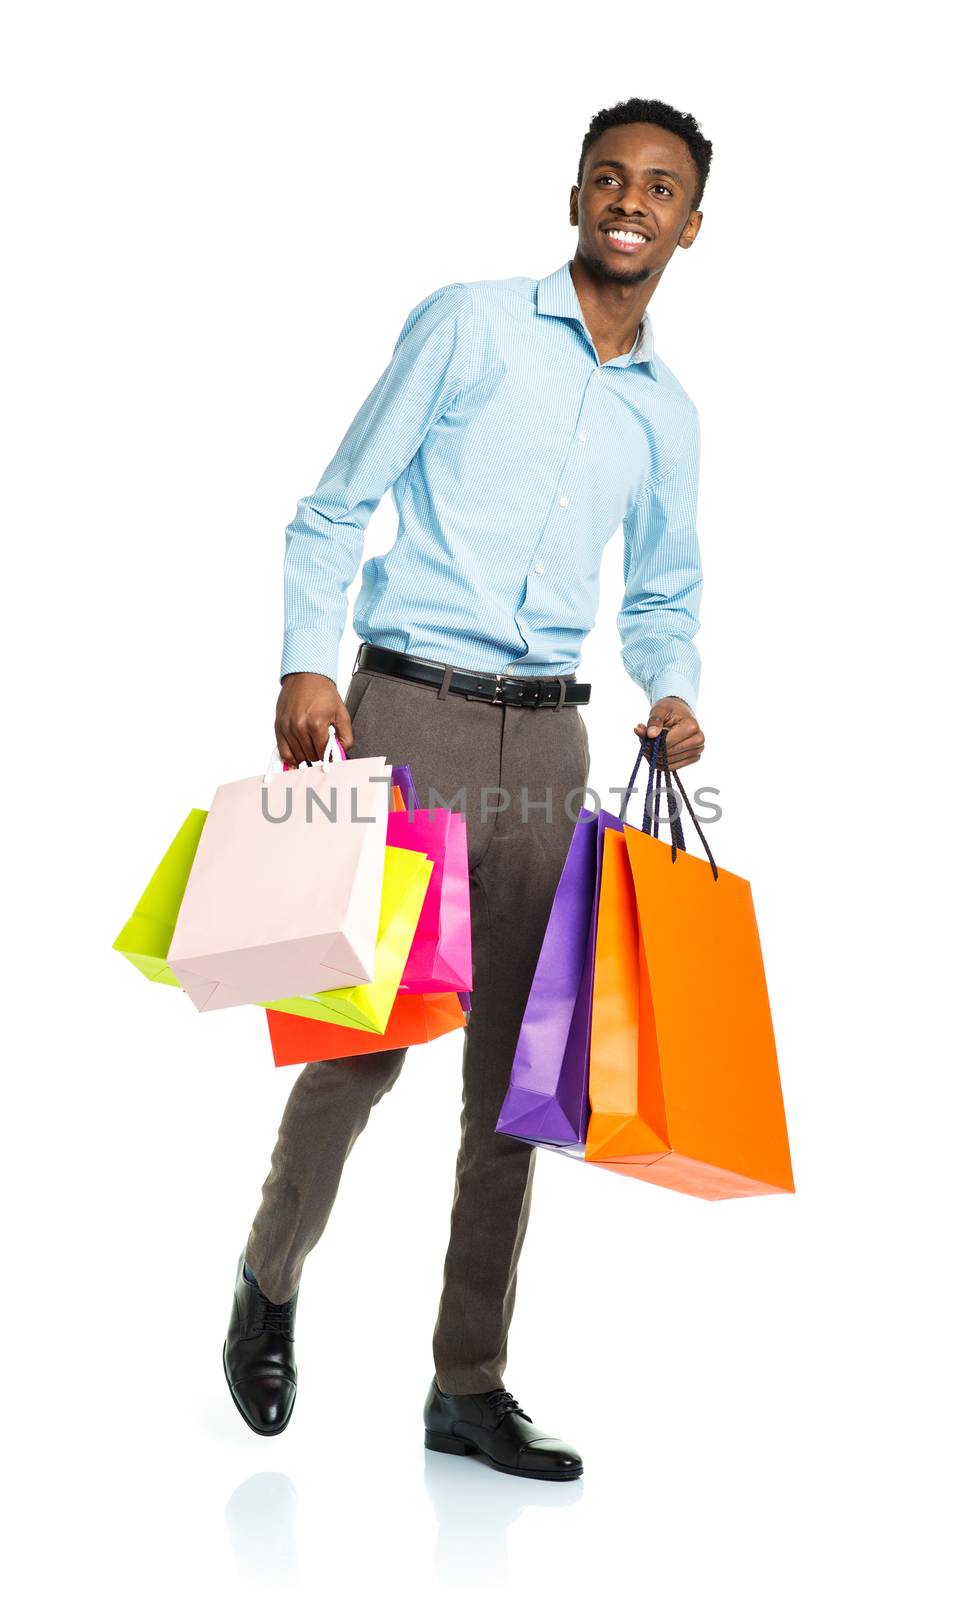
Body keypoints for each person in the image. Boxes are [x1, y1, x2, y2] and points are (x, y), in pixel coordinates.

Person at [223, 95, 711, 1480]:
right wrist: (306, 667)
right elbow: (333, 506)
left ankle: (467, 1382)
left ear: (689, 223)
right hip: (409, 709)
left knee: (519, 1080)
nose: (631, 199)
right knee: (364, 1035)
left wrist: (672, 693)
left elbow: (665, 593)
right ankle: (268, 1276)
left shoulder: (670, 417)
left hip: (552, 746)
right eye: (610, 176)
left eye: (660, 186)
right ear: (576, 196)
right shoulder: (472, 325)